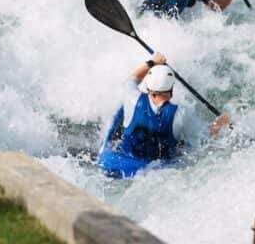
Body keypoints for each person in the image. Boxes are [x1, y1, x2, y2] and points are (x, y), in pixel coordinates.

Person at [97, 53, 231, 178]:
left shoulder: (132, 98)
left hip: (119, 164)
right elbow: (205, 136)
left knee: (123, 112)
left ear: (148, 88)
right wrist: (221, 122)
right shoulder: (181, 114)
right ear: (171, 92)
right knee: (185, 144)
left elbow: (131, 79)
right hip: (153, 172)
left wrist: (152, 62)